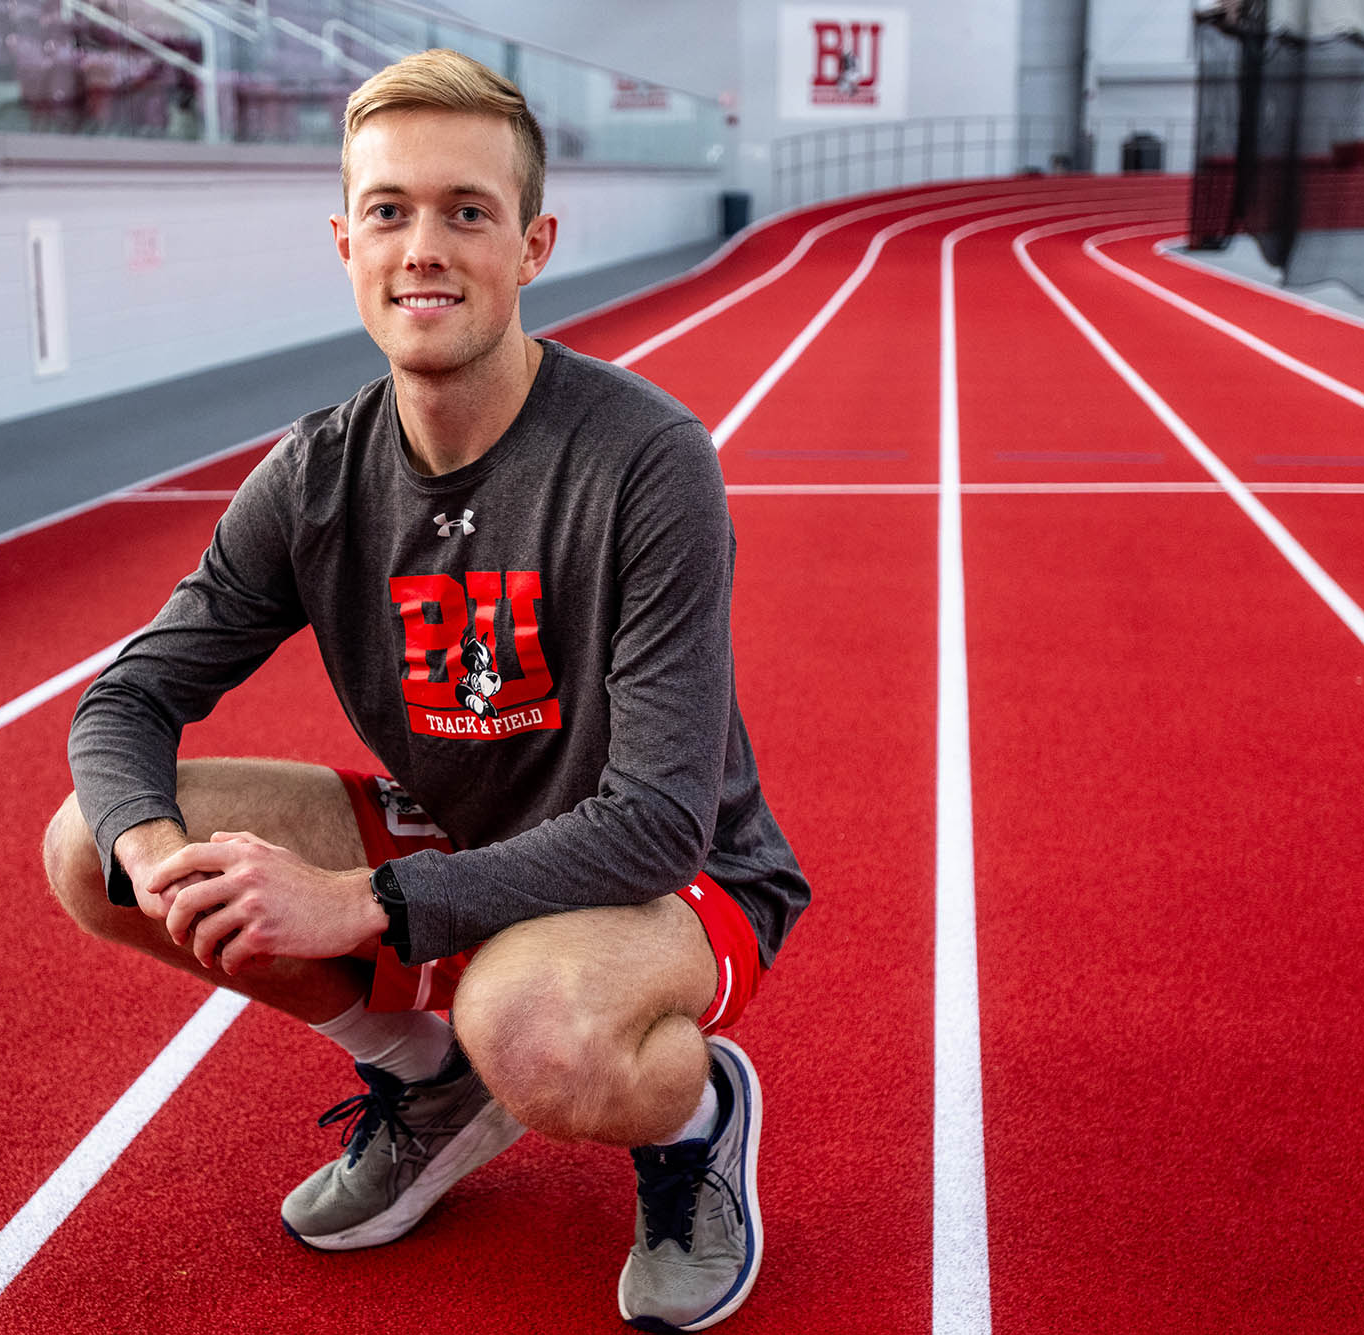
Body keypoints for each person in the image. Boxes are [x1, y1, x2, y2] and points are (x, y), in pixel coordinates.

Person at [41, 47, 809, 1333]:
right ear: (345, 242)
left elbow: (662, 817)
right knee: (91, 850)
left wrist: (361, 904)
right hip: (465, 839)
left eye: (467, 212)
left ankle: (695, 1121)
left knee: (536, 1026)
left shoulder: (645, 458)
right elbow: (122, 704)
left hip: (680, 878)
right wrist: (161, 853)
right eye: (390, 211)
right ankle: (427, 1080)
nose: (424, 249)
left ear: (531, 244)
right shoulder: (313, 477)